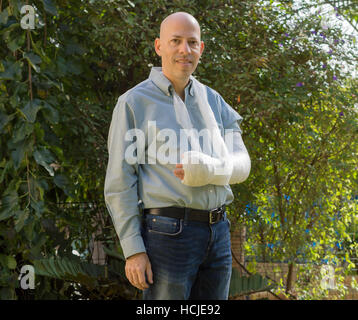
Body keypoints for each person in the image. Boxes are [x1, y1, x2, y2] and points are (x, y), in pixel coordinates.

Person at [104, 11, 251, 300]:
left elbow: (241, 162)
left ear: (201, 48)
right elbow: (120, 182)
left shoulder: (215, 101)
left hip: (218, 232)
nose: (185, 50)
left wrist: (208, 170)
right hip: (167, 235)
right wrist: (133, 249)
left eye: (192, 42)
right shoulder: (134, 103)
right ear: (159, 46)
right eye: (176, 41)